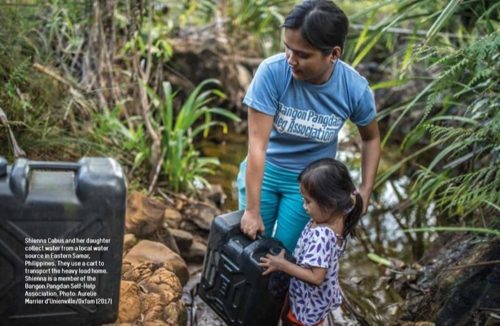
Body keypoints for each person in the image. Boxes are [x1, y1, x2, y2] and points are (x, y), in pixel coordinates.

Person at [237, 0, 381, 252]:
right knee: (249, 249)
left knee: (286, 256)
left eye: (303, 54)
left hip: (311, 187)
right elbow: (256, 147)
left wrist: (366, 191)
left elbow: (370, 139)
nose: (291, 60)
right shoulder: (272, 73)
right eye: (288, 49)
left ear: (333, 54)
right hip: (264, 174)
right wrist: (252, 209)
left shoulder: (354, 89)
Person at [258, 157, 363, 326]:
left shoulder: (322, 234)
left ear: (329, 204)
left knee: (291, 321)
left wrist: (281, 264)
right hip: (319, 299)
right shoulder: (342, 212)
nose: (304, 206)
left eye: (308, 201)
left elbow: (316, 278)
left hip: (307, 302)